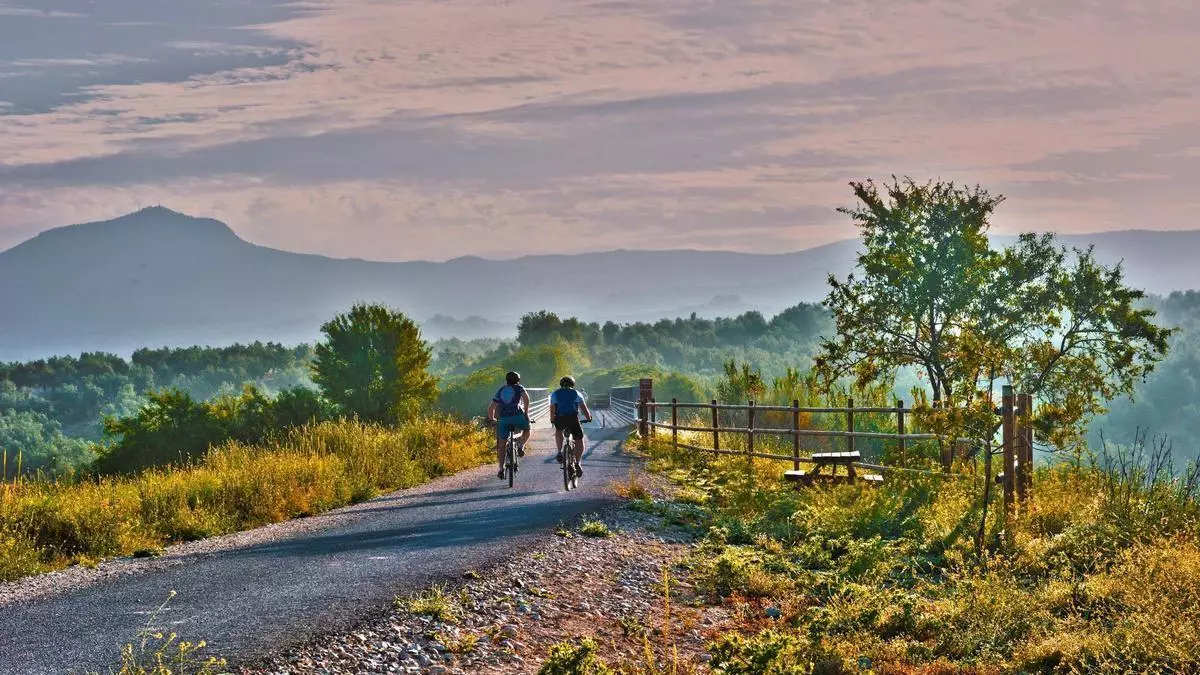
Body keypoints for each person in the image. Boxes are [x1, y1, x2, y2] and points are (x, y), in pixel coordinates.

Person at [488, 371, 530, 479]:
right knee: (527, 429)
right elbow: (526, 399)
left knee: (502, 445)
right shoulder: (519, 388)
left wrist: (492, 419)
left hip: (503, 419)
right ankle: (521, 446)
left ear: (506, 380)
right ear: (518, 380)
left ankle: (501, 469)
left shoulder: (501, 390)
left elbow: (491, 407)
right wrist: (526, 413)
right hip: (518, 416)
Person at [550, 375, 592, 478]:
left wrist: (552, 419)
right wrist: (588, 417)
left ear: (561, 384)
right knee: (579, 439)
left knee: (558, 431)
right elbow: (584, 408)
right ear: (572, 384)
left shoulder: (555, 393)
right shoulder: (577, 393)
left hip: (560, 418)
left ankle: (559, 452)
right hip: (573, 419)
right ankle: (577, 463)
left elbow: (552, 408)